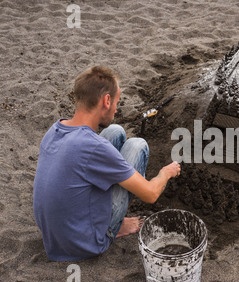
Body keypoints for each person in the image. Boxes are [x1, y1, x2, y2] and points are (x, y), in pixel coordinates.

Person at [33, 66, 180, 261]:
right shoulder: (94, 147)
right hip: (84, 244)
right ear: (106, 101)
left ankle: (108, 219)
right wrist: (165, 173)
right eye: (117, 102)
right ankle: (113, 228)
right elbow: (151, 194)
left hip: (55, 236)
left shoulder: (56, 129)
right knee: (137, 145)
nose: (117, 109)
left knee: (116, 131)